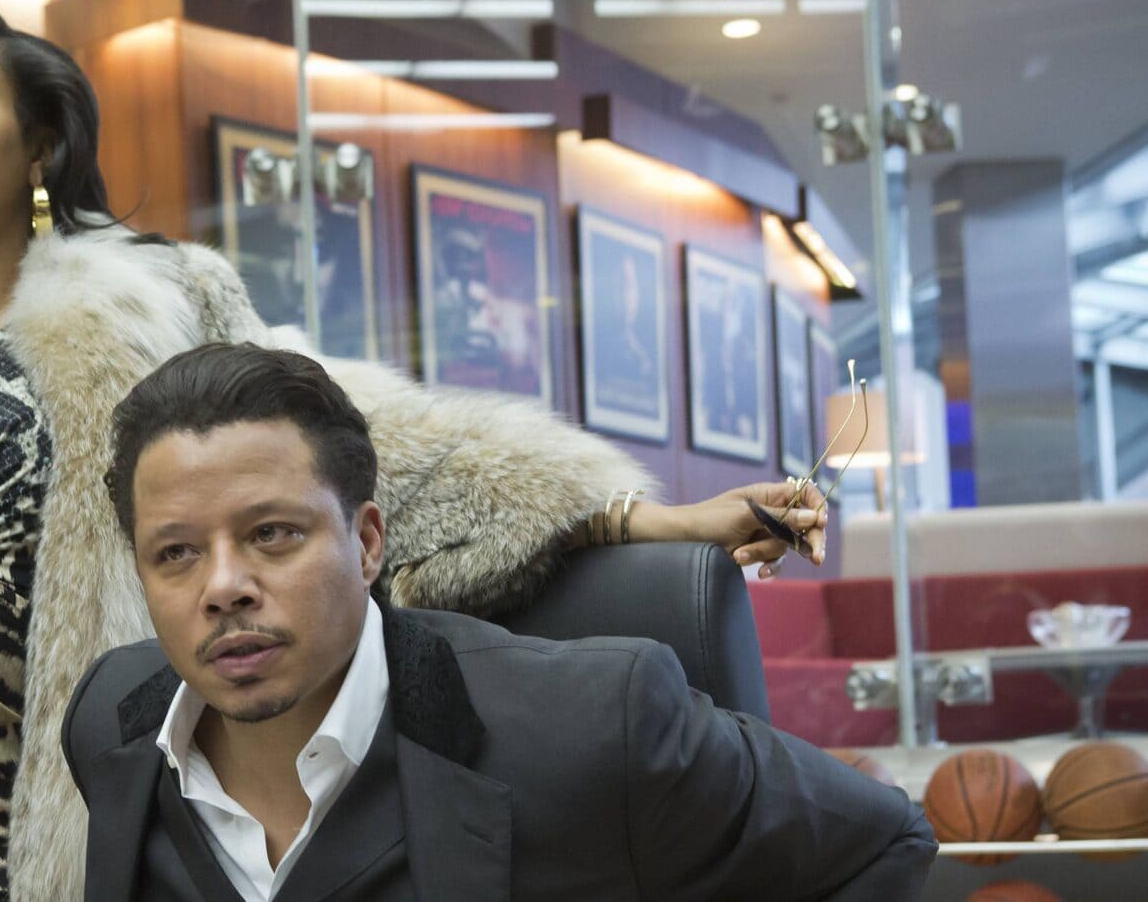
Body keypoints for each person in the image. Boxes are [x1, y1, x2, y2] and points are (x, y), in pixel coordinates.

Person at [0, 0, 826, 902]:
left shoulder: (154, 306)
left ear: (41, 141)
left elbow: (346, 448)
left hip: (36, 839)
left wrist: (627, 515)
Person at [65, 343, 933, 901]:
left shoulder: (597, 724)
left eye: (272, 535)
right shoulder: (112, 721)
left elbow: (882, 842)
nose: (223, 586)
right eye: (176, 552)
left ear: (367, 543)